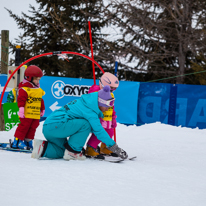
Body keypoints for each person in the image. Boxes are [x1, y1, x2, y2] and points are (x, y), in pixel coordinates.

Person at [31, 85, 128, 160]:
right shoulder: (90, 111)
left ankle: (42, 148)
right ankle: (73, 153)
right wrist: (114, 147)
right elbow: (99, 131)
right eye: (107, 105)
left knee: (64, 150)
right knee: (86, 124)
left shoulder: (86, 102)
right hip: (56, 126)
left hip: (50, 128)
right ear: (101, 102)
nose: (108, 108)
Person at [85, 72, 119, 158]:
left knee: (110, 131)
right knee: (99, 133)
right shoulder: (96, 93)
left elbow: (112, 107)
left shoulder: (110, 94)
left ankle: (105, 147)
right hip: (99, 118)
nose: (112, 91)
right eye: (111, 88)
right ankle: (91, 148)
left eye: (114, 89)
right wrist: (97, 117)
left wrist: (113, 118)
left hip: (108, 119)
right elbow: (92, 105)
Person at [12, 65, 45, 150]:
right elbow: (21, 100)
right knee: (24, 126)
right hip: (26, 114)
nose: (38, 81)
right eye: (36, 79)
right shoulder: (24, 89)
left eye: (39, 79)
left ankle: (28, 141)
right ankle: (18, 141)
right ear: (29, 78)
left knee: (33, 127)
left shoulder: (38, 89)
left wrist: (42, 109)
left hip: (35, 114)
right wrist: (21, 109)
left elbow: (40, 100)